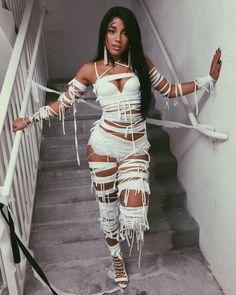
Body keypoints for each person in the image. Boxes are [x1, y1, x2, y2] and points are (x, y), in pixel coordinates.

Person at [12, 6, 221, 290]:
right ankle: (116, 257)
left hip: (135, 148)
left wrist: (208, 79)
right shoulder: (90, 70)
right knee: (108, 213)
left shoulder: (141, 63)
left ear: (131, 37)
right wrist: (30, 119)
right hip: (103, 147)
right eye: (112, 30)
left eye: (124, 33)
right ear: (104, 33)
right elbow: (62, 103)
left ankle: (119, 226)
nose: (117, 38)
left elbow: (169, 89)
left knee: (133, 213)